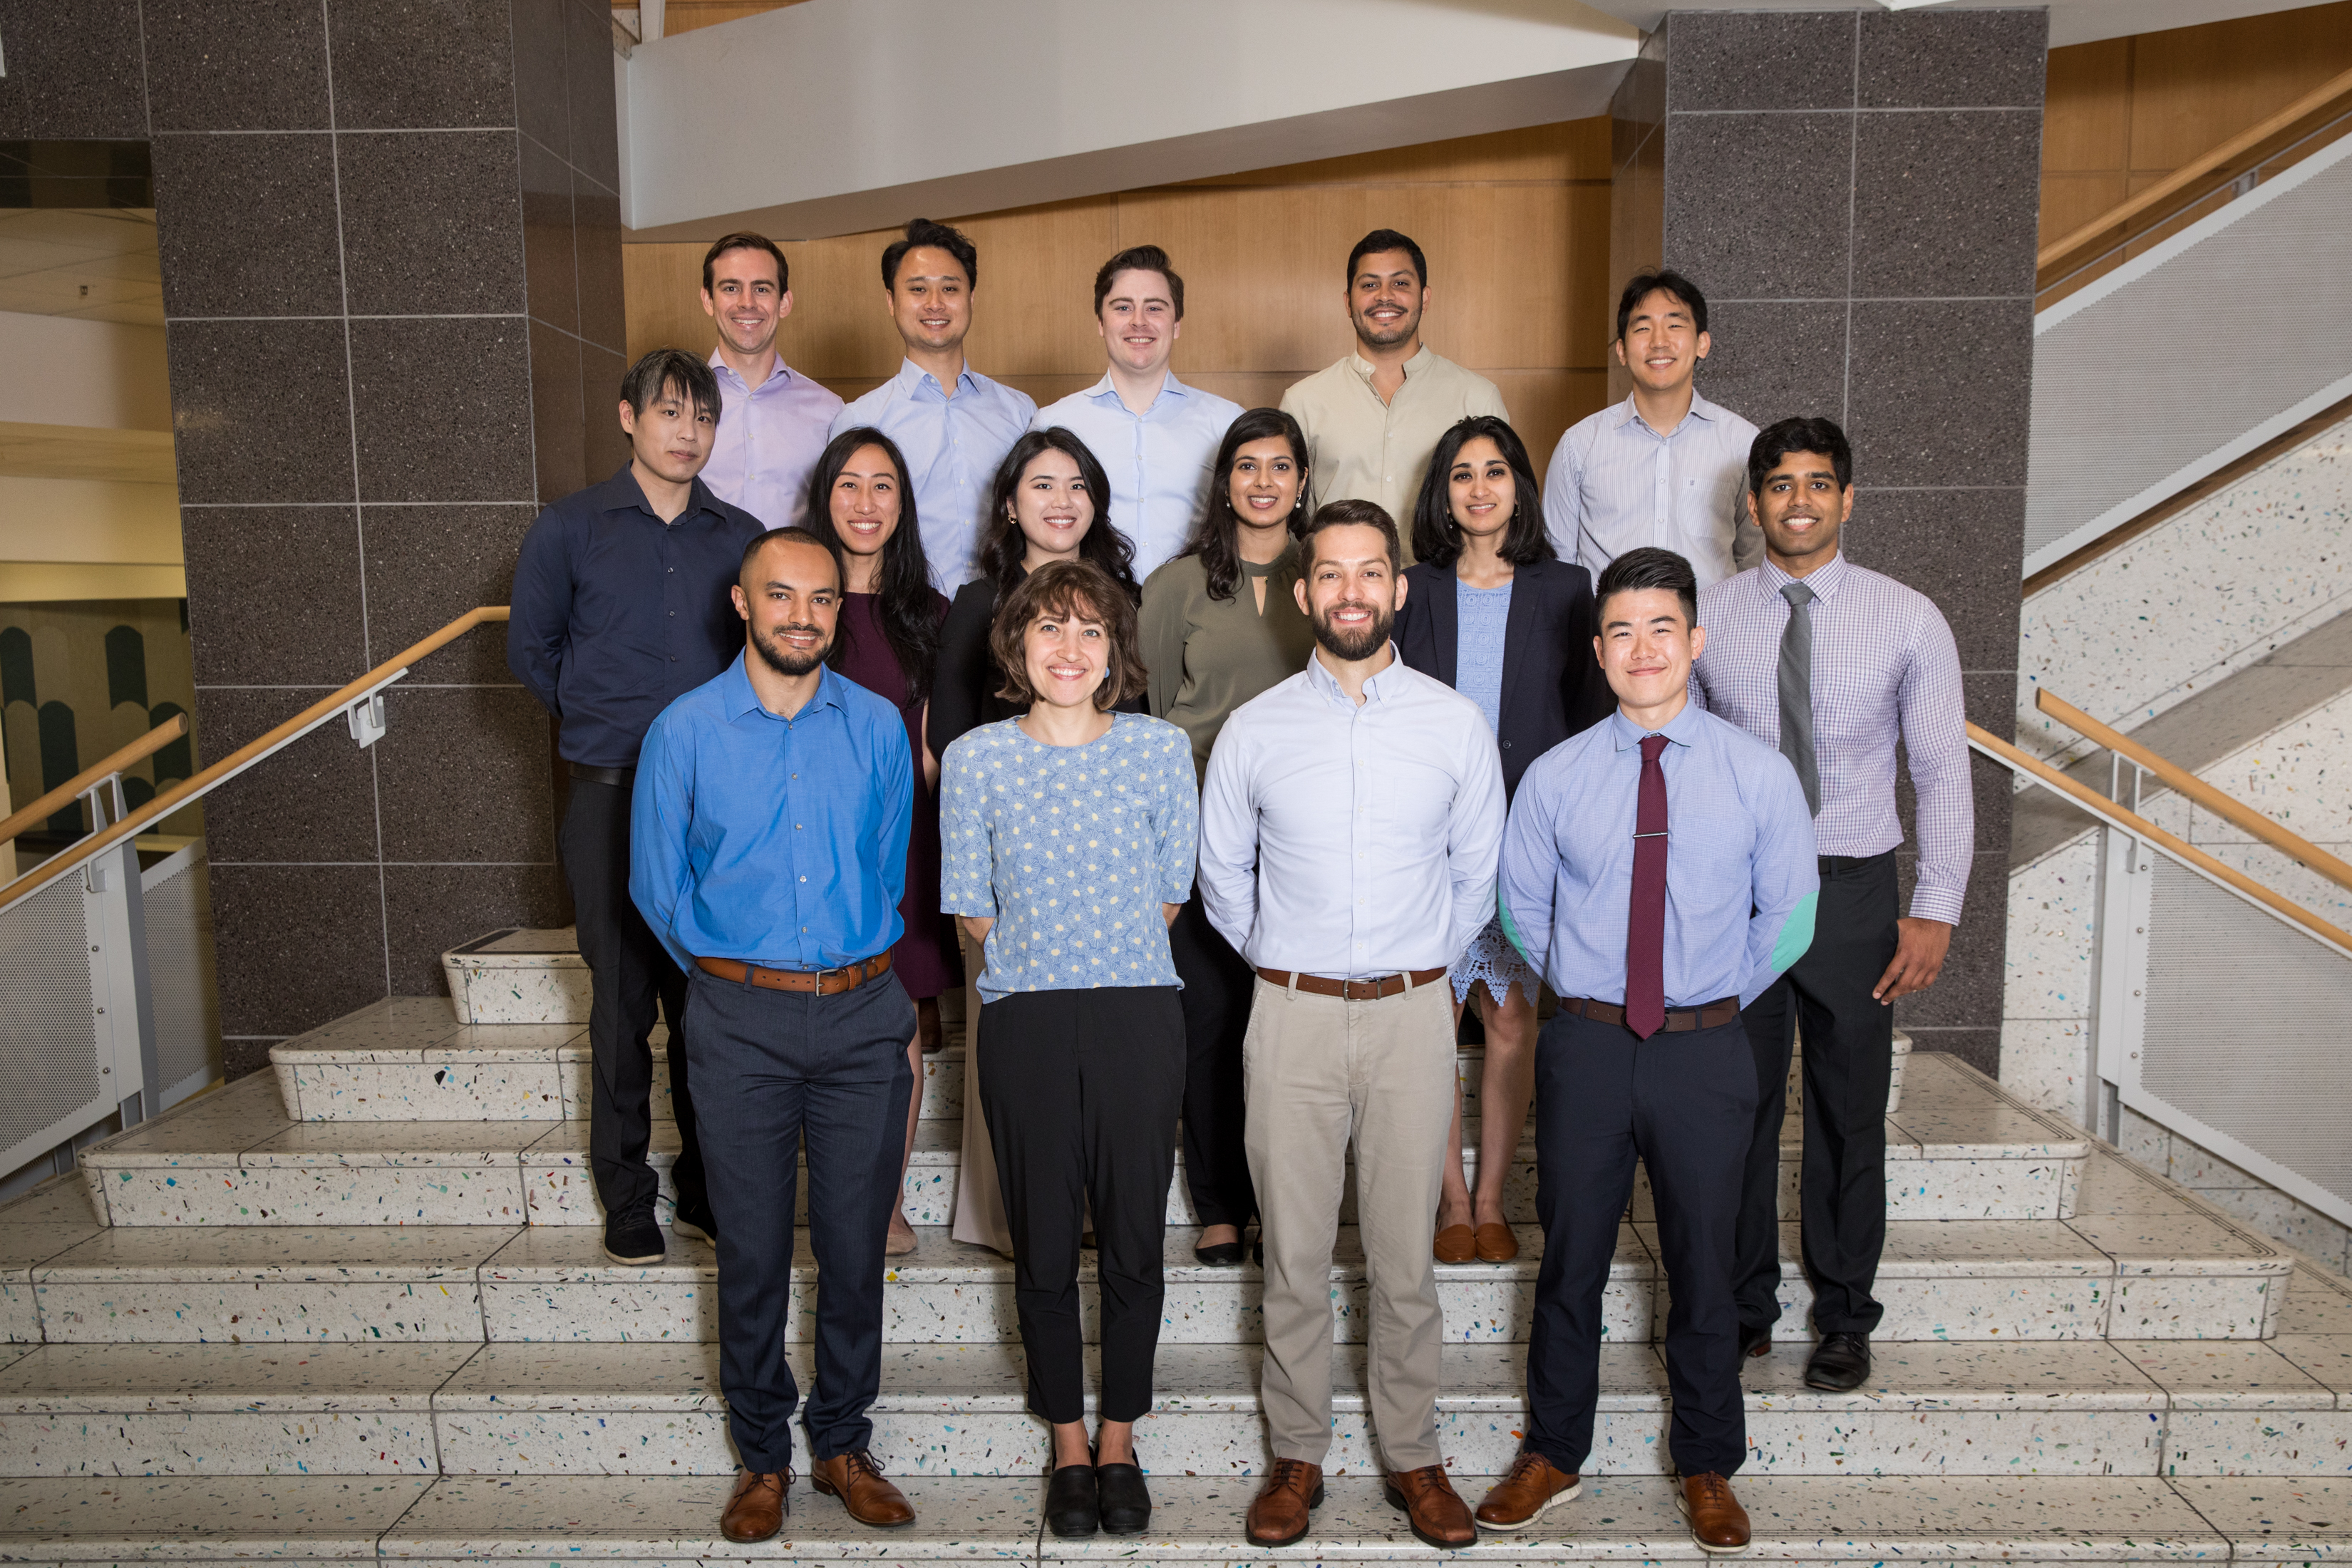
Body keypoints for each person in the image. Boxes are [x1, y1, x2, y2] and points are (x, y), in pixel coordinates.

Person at [1477, 547, 1817, 1553]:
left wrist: (1699, 1000)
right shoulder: (1555, 776)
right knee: (1571, 1258)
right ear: (1599, 648)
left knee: (1706, 1264)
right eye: (1621, 631)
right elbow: (1519, 912)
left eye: (1661, 628)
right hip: (1584, 1045)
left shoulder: (1758, 773)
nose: (1641, 648)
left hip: (1706, 1052)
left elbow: (1789, 918)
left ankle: (1708, 1462)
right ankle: (1554, 1450)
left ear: (1696, 642)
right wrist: (1596, 995)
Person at [1197, 499, 1503, 1553]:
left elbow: (1477, 878)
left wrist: (1426, 974)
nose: (1351, 593)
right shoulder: (1256, 729)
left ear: (1399, 590)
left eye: (1370, 573)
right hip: (1289, 1018)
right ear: (1300, 592)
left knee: (1404, 1255)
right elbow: (1221, 880)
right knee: (1290, 1251)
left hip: (1415, 1014)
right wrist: (1287, 968)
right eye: (1330, 574)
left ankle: (1414, 1455)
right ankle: (1298, 1455)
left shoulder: (1453, 725)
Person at [629, 526, 919, 1541]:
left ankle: (841, 1442)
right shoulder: (685, 731)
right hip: (738, 1020)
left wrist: (837, 968)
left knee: (851, 1249)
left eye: (824, 599)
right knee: (750, 1252)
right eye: (782, 596)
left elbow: (887, 868)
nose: (804, 614)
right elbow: (657, 889)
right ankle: (763, 1458)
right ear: (742, 606)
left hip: (860, 1014)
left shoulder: (879, 726)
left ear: (841, 611)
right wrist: (738, 976)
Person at [1691, 416, 1972, 1393]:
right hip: (1742, 893)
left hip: (1855, 889)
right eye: (1779, 484)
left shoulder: (1907, 617)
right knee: (1739, 1107)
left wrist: (1934, 905)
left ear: (1847, 499)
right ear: (1756, 500)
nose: (1798, 500)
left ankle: (1845, 1315)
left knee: (1849, 1112)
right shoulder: (1710, 615)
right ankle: (1739, 1307)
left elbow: (1940, 772)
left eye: (1818, 483)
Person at [939, 559, 1197, 1542]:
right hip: (1028, 1018)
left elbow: (1171, 891)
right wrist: (1046, 958)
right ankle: (1067, 1444)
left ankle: (1121, 1437)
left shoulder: (1158, 750)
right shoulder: (977, 759)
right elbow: (971, 905)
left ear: (1116, 652)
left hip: (1137, 1012)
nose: (1069, 648)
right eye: (1049, 627)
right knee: (1044, 1242)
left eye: (1091, 631)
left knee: (1134, 1235)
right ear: (1016, 645)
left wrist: (1105, 951)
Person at [509, 348, 758, 1267]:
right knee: (621, 1004)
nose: (687, 432)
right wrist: (599, 719)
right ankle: (626, 1193)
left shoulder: (740, 534)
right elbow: (530, 652)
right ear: (628, 417)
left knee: (708, 1002)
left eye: (702, 417)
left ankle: (705, 1185)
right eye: (669, 413)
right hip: (608, 797)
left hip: (711, 808)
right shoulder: (569, 528)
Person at [1394, 415, 1611, 1267]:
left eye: (1495, 471)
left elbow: (1594, 725)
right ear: (1442, 494)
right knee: (1433, 1019)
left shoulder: (1567, 588)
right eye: (1461, 474)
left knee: (1512, 1018)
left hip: (1529, 834)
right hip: (1433, 840)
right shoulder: (1414, 588)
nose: (1479, 488)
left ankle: (1492, 1198)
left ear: (1519, 485)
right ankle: (1451, 1201)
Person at [928, 426, 1143, 1255]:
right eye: (1043, 484)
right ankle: (1008, 1215)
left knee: (1101, 1049)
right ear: (1012, 503)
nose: (1061, 500)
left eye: (1078, 484)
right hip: (1002, 866)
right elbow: (948, 737)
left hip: (1103, 867)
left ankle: (1093, 1206)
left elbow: (1137, 729)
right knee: (1008, 1044)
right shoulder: (980, 603)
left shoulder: (1119, 596)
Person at [1139, 408, 1316, 1269]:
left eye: (1280, 467)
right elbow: (1154, 712)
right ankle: (1218, 1204)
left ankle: (1286, 1198)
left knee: (1285, 1025)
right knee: (1207, 1016)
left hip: (1302, 834)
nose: (1263, 482)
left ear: (1302, 482)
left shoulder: (1326, 575)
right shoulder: (1175, 585)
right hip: (1200, 830)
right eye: (1247, 466)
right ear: (1226, 481)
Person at [802, 427, 956, 1259]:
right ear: (825, 496)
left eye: (883, 486)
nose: (866, 503)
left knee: (896, 1023)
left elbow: (935, 744)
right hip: (804, 833)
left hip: (901, 842)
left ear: (903, 503)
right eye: (849, 485)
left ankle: (889, 1204)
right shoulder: (799, 598)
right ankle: (830, 1197)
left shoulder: (929, 613)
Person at [1278, 229, 1507, 562]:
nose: (1385, 296)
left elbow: (1501, 515)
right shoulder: (1303, 403)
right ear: (1348, 302)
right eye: (1370, 285)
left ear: (1425, 298)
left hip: (1445, 597)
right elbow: (1288, 520)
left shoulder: (1477, 398)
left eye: (1400, 284)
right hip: (1341, 599)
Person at [832, 217, 1036, 592]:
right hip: (904, 621)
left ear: (971, 298)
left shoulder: (1020, 413)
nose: (935, 303)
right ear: (891, 302)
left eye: (950, 288)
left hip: (1008, 615)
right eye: (918, 289)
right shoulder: (859, 420)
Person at [1031, 244, 1242, 579]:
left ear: (1176, 324)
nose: (1138, 322)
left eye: (1155, 308)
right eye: (1123, 307)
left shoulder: (1226, 422)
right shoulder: (1054, 423)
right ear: (1101, 322)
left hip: (1197, 615)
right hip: (1089, 617)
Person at [1543, 270, 1761, 591]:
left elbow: (1753, 559)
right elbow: (1557, 565)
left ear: (1702, 343)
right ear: (1621, 350)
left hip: (1711, 636)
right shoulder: (1579, 444)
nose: (1659, 342)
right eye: (1643, 328)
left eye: (1675, 325)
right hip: (1608, 636)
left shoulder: (1742, 443)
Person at [697, 231, 844, 527]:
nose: (747, 303)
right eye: (730, 288)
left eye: (762, 289)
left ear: (785, 302)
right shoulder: (678, 404)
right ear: (708, 300)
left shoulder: (830, 411)